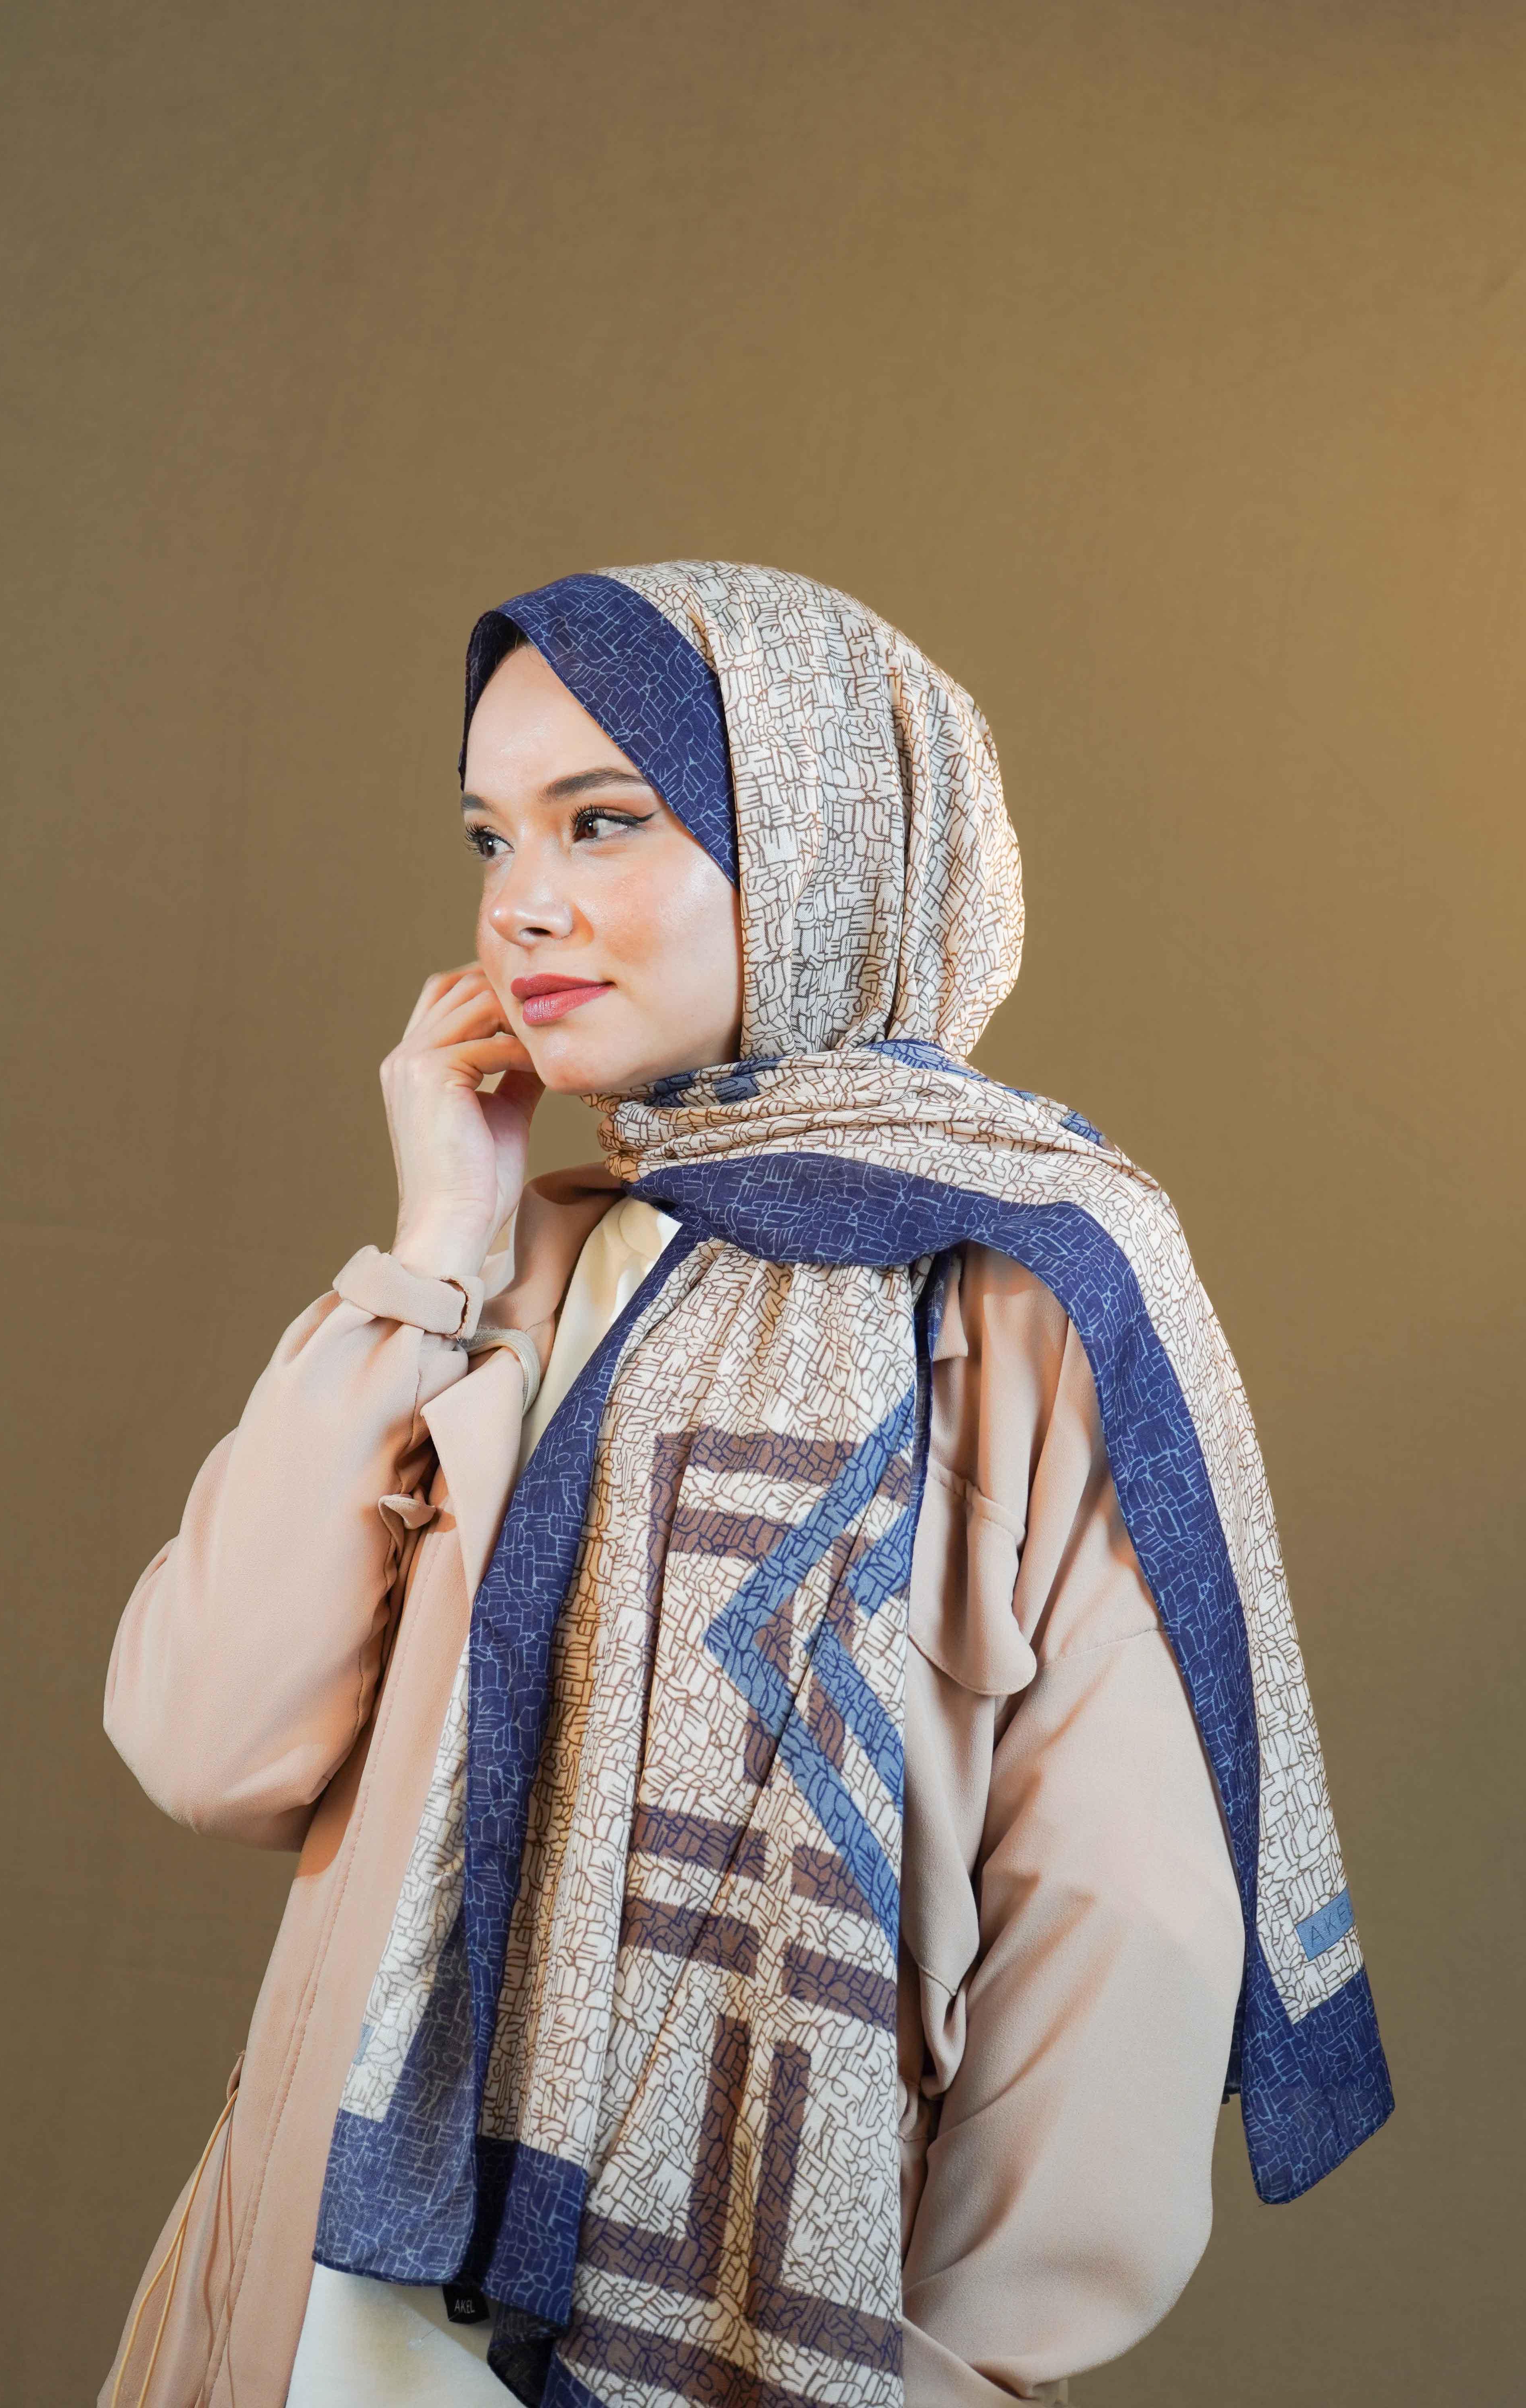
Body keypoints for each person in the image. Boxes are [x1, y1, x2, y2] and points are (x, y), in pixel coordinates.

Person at [100, 564, 1390, 2408]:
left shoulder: (1024, 1297)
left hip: (751, 2348)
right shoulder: (510, 1274)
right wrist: (435, 1244)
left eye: (602, 821)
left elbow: (1119, 1932)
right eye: (489, 835)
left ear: (823, 843)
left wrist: (945, 2375)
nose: (521, 902)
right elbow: (209, 1743)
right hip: (319, 2294)